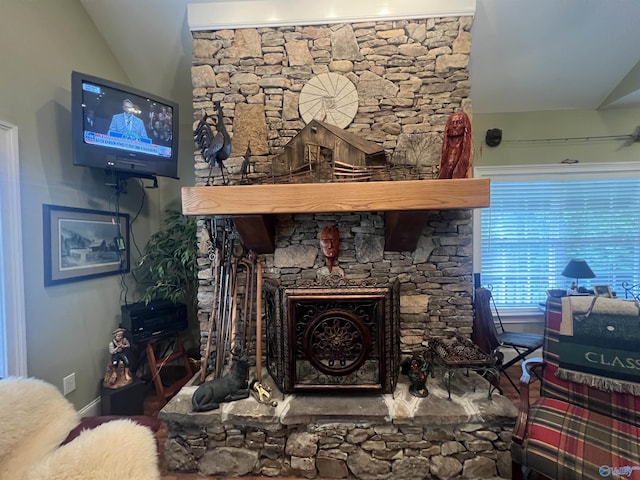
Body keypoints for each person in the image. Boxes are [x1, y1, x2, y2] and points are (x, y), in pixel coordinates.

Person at [438, 111, 473, 179]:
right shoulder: (447, 145)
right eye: (452, 123)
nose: (454, 126)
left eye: (459, 122)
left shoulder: (466, 146)